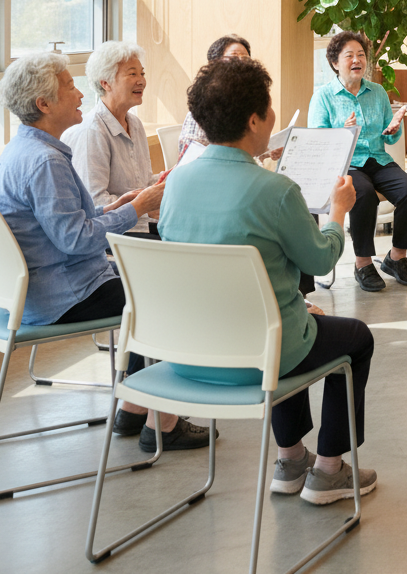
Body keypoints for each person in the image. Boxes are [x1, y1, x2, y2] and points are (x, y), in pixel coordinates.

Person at [159, 57, 377, 504]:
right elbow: (319, 260)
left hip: (186, 352)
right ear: (255, 119)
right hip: (258, 355)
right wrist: (337, 212)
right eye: (270, 108)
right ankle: (329, 470)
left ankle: (291, 457)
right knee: (354, 338)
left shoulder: (176, 184)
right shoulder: (276, 191)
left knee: (293, 319)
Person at [0, 52, 210, 451]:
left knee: (149, 282)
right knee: (164, 293)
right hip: (61, 294)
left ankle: (133, 407)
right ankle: (164, 421)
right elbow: (75, 239)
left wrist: (116, 206)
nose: (79, 94)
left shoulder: (20, 151)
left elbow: (63, 221)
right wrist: (136, 209)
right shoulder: (45, 161)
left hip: (35, 289)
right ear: (44, 104)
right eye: (69, 87)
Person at [307, 30, 407, 292]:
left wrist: (393, 130)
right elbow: (318, 142)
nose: (357, 60)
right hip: (346, 163)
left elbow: (388, 139)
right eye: (349, 55)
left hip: (377, 159)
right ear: (335, 62)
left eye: (361, 55)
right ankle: (362, 263)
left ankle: (396, 257)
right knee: (364, 193)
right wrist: (342, 134)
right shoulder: (323, 96)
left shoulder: (378, 92)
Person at [62, 41, 165, 239]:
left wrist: (167, 180)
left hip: (142, 225)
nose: (141, 81)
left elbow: (142, 180)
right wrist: (145, 207)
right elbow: (95, 202)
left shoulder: (134, 123)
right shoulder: (92, 132)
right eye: (132, 74)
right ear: (105, 83)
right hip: (117, 233)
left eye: (142, 74)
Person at [177, 34, 253, 157]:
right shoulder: (205, 102)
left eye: (245, 59)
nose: (241, 63)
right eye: (234, 57)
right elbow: (190, 152)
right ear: (214, 64)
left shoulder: (250, 100)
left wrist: (268, 153)